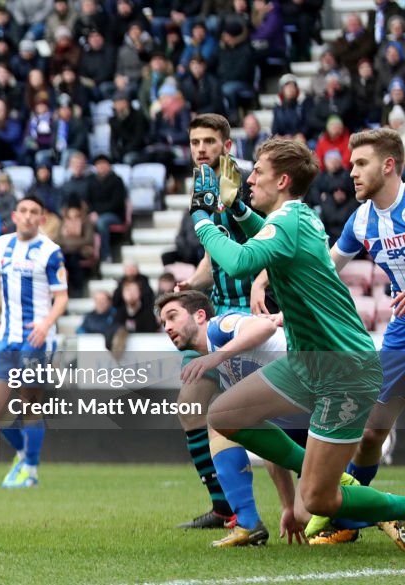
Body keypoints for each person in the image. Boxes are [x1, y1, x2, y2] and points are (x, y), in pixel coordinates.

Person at [190, 136, 405, 552]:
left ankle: (395, 508)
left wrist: (203, 219)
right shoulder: (297, 217)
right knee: (224, 414)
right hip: (308, 363)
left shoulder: (289, 221)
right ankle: (321, 474)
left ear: (283, 180)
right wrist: (235, 209)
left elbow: (238, 261)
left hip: (344, 368)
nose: (249, 178)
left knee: (316, 502)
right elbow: (265, 236)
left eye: (258, 172)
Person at [157, 290, 308, 547]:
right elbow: (271, 444)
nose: (168, 327)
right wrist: (287, 506)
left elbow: (265, 325)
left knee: (328, 505)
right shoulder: (226, 371)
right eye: (163, 323)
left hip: (324, 398)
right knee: (309, 511)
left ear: (201, 315)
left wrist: (218, 355)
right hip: (300, 411)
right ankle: (248, 523)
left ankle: (389, 510)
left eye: (172, 317)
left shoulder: (220, 326)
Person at [172, 113, 262, 529]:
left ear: (227, 146)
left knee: (266, 419)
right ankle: (225, 506)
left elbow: (269, 241)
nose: (201, 149)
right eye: (194, 142)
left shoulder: (246, 186)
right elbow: (214, 255)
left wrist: (261, 282)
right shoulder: (202, 187)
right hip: (220, 321)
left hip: (256, 321)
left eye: (209, 141)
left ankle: (316, 501)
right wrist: (192, 280)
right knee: (192, 405)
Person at [321, 128, 405, 544]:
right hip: (402, 332)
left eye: (361, 164)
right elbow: (327, 267)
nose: (351, 172)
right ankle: (350, 518)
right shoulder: (362, 219)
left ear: (388, 165)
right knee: (371, 432)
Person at [0, 195, 69, 488]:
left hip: (37, 338)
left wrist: (46, 324)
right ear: (15, 215)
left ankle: (30, 470)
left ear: (42, 219)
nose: (29, 216)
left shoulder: (50, 252)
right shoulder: (2, 245)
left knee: (29, 401)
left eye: (35, 212)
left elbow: (62, 297)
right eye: (24, 211)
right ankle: (23, 454)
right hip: (7, 335)